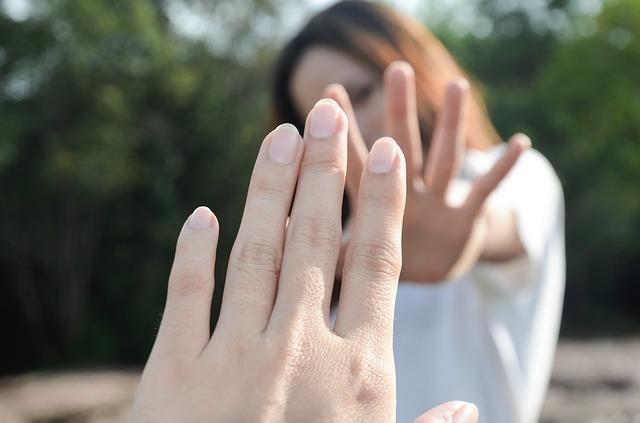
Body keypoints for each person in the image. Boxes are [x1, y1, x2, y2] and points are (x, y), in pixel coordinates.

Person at [271, 1, 565, 422]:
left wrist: (464, 232)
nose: (349, 129)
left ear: (417, 71)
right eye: (324, 119)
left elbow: (494, 218)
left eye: (363, 94)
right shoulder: (326, 246)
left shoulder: (513, 175)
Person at [130, 99, 479, 422]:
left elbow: (510, 215)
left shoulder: (485, 169)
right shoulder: (296, 289)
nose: (351, 131)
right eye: (302, 118)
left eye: (362, 92)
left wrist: (471, 231)